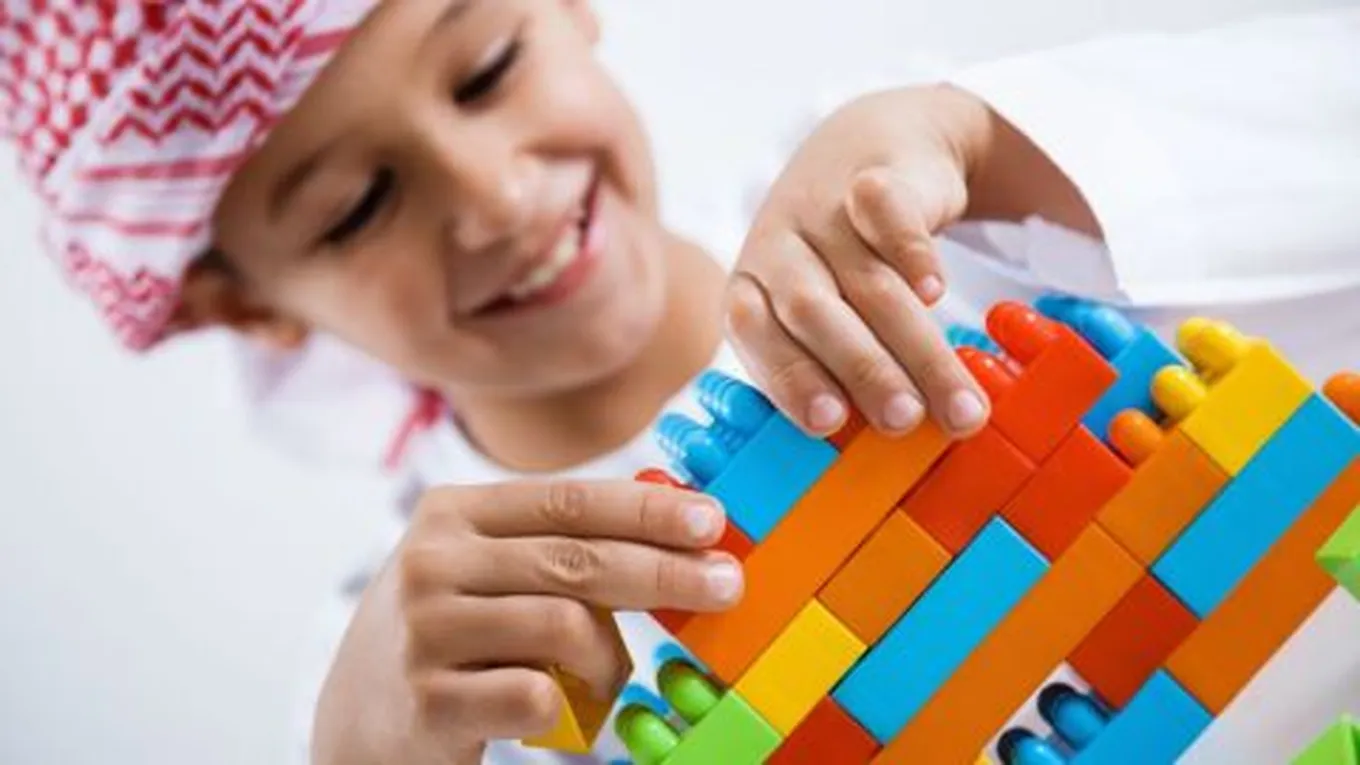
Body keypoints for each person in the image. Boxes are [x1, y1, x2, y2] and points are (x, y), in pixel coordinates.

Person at [2, 2, 1357, 764]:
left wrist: (986, 137)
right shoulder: (417, 671)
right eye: (358, 207)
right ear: (241, 304)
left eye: (486, 70)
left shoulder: (928, 183)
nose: (497, 198)